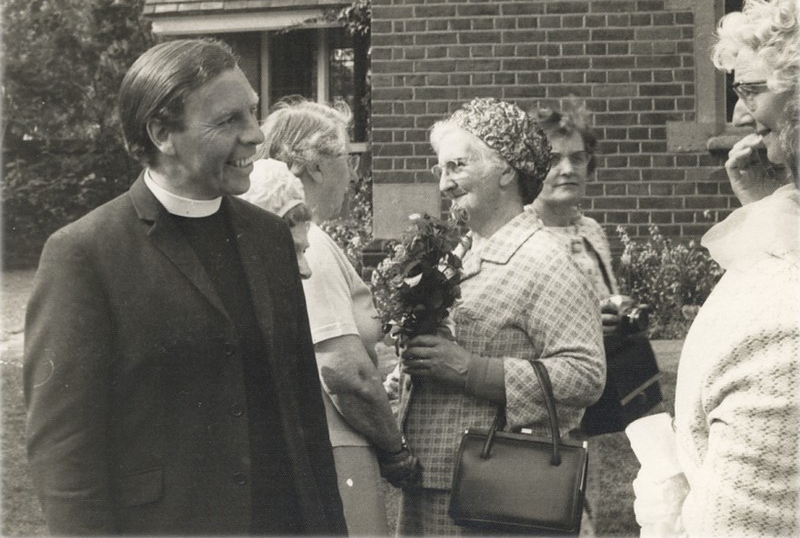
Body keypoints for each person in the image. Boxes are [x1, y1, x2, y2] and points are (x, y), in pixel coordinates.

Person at [23, 39, 346, 536]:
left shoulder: (267, 237)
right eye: (228, 121)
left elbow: (304, 416)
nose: (256, 135)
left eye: (253, 114)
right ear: (161, 133)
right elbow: (65, 457)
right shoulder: (85, 254)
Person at [630, 0, 799, 537]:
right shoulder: (775, 228)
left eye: (751, 90)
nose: (735, 113)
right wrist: (763, 204)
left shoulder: (783, 332)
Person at [396, 97, 606, 535]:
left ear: (507, 170)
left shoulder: (542, 260)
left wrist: (472, 371)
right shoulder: (463, 252)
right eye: (441, 170)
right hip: (436, 479)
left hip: (493, 488)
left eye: (457, 166)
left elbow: (586, 373)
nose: (445, 183)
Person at [242, 98, 420, 537]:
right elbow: (342, 371)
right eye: (347, 158)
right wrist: (396, 451)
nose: (355, 175)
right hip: (335, 444)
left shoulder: (295, 239)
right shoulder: (310, 247)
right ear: (315, 166)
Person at [528, 98, 620, 328]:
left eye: (577, 158)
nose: (568, 170)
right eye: (553, 160)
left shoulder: (591, 230)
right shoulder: (520, 236)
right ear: (529, 167)